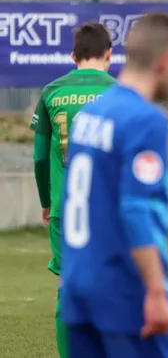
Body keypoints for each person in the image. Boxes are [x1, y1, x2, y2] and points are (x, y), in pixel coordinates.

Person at [60, 12, 168, 358]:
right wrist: (157, 292)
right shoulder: (145, 119)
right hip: (124, 293)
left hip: (78, 287)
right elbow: (137, 209)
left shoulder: (89, 115)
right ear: (165, 61)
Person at [29, 21, 115, 358]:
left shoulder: (52, 91)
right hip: (107, 207)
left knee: (68, 285)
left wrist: (46, 200)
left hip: (66, 205)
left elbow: (39, 157)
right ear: (109, 54)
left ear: (72, 55)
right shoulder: (120, 92)